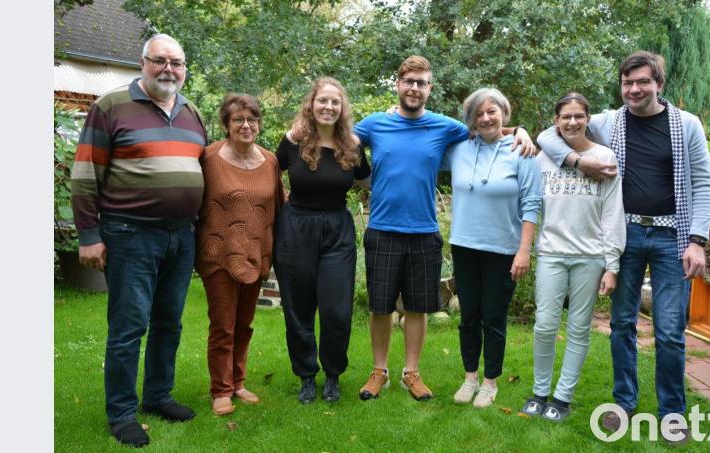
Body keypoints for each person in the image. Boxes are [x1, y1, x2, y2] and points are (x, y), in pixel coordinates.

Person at [537, 52, 710, 442]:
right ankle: (624, 404)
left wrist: (697, 241)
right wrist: (575, 161)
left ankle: (672, 413)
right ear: (621, 85)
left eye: (642, 82)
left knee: (669, 331)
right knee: (621, 325)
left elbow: (703, 183)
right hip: (626, 236)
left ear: (658, 84)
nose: (634, 89)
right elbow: (548, 134)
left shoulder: (686, 125)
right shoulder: (608, 121)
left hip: (674, 238)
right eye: (627, 82)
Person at [354, 55, 534, 402]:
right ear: (398, 84)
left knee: (419, 307)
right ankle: (379, 372)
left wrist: (520, 130)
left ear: (429, 89)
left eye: (422, 83)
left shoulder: (444, 127)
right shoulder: (375, 123)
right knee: (380, 307)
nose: (415, 88)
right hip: (382, 229)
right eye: (409, 81)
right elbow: (342, 140)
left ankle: (412, 374)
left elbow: (488, 129)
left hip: (424, 232)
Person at [70, 34, 206, 448]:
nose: (169, 69)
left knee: (169, 322)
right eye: (160, 61)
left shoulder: (191, 111)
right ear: (143, 63)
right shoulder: (110, 106)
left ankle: (158, 396)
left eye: (177, 63)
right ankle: (123, 413)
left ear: (185, 68)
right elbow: (85, 174)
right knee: (129, 326)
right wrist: (89, 235)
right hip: (131, 234)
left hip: (181, 236)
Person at [519, 92, 625, 422]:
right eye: (566, 116)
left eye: (579, 116)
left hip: (590, 257)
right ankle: (539, 392)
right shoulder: (543, 158)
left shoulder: (605, 156)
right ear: (556, 121)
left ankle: (562, 398)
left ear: (588, 119)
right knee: (545, 325)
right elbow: (531, 204)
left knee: (579, 328)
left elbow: (612, 212)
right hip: (551, 252)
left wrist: (612, 264)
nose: (573, 122)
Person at [442, 88, 542, 408]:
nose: (486, 118)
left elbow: (531, 204)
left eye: (492, 112)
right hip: (465, 246)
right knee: (468, 316)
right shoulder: (457, 150)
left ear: (504, 114)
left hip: (503, 250)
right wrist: (393, 112)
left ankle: (490, 383)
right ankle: (470, 378)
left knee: (494, 319)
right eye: (479, 113)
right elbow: (422, 137)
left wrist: (523, 251)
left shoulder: (521, 151)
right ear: (471, 120)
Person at [274, 77, 370, 404]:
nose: (328, 107)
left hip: (337, 231)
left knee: (337, 310)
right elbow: (268, 173)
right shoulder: (293, 140)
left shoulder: (353, 145)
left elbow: (367, 179)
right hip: (296, 229)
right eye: (322, 101)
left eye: (335, 102)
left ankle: (332, 374)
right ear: (311, 104)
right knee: (298, 308)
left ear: (342, 108)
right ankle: (306, 377)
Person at [196, 94, 284, 416]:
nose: (246, 125)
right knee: (223, 325)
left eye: (252, 120)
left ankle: (238, 383)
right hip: (218, 252)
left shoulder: (270, 161)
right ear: (226, 125)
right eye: (238, 120)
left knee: (244, 324)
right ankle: (220, 390)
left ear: (259, 124)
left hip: (256, 255)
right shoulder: (209, 157)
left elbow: (278, 208)